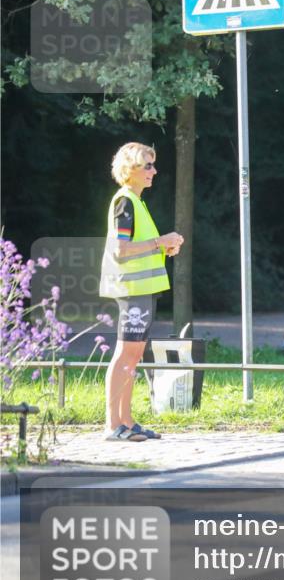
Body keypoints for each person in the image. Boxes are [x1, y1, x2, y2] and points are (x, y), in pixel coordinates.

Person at [99, 143, 184, 441]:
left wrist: (164, 247)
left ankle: (127, 420)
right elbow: (121, 250)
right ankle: (113, 425)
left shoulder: (136, 202)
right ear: (131, 169)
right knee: (125, 356)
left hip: (142, 290)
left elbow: (139, 247)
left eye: (153, 165)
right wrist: (161, 242)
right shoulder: (125, 202)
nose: (154, 171)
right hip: (132, 290)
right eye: (147, 165)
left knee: (132, 358)